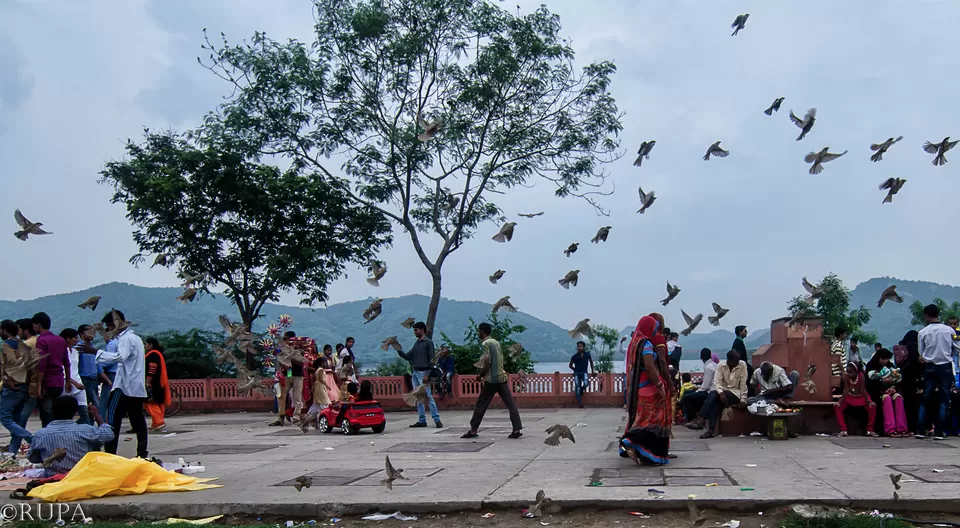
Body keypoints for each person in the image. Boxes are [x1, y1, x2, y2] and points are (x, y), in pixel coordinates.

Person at [83, 310, 148, 459]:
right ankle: (142, 453)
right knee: (137, 419)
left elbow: (120, 357)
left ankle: (110, 454)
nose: (108, 330)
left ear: (114, 325)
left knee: (113, 420)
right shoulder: (136, 338)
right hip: (136, 387)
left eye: (109, 326)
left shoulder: (125, 340)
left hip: (123, 386)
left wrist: (94, 352)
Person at [620, 315, 671, 464]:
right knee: (653, 421)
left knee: (643, 420)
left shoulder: (634, 343)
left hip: (639, 388)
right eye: (654, 328)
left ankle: (644, 454)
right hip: (649, 388)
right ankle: (629, 442)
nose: (656, 331)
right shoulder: (646, 344)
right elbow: (650, 367)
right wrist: (660, 385)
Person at [461, 322, 522, 439]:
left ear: (482, 331)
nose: (478, 333)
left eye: (479, 331)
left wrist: (480, 375)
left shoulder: (485, 343)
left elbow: (487, 362)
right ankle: (516, 429)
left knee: (481, 404)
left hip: (491, 379)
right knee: (510, 404)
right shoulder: (496, 342)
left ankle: (473, 430)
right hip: (502, 377)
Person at [27, 396, 115, 477]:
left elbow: (33, 458)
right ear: (75, 412)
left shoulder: (41, 434)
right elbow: (109, 434)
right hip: (80, 477)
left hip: (53, 480)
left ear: (52, 410)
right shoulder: (85, 430)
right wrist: (97, 416)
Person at [915, 304, 960, 439]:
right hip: (945, 366)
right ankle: (939, 431)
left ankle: (921, 429)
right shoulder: (949, 331)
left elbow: (921, 353)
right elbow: (957, 347)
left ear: (926, 315)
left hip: (929, 367)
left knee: (925, 399)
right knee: (944, 399)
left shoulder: (922, 332)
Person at [396, 321, 443, 428]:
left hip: (424, 372)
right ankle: (422, 420)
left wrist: (428, 374)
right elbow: (408, 356)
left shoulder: (428, 343)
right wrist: (397, 348)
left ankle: (437, 419)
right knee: (418, 396)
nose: (414, 332)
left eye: (416, 330)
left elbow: (432, 360)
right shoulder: (417, 343)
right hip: (416, 372)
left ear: (422, 330)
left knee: (428, 396)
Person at [696, 350, 747, 439]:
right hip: (721, 393)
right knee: (715, 402)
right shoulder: (721, 366)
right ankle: (711, 430)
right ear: (729, 360)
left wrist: (743, 399)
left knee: (713, 394)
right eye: (736, 361)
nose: (738, 363)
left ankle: (701, 417)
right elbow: (717, 382)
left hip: (735, 394)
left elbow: (743, 384)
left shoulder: (742, 365)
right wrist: (721, 393)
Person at [1, 319, 35, 453]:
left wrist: (7, 380)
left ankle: (29, 437)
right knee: (16, 419)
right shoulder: (23, 345)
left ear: (4, 330)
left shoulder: (5, 346)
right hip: (23, 386)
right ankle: (13, 451)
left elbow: (3, 367)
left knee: (5, 418)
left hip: (11, 388)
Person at [33, 312, 70, 427]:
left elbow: (42, 365)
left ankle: (50, 439)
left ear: (38, 325)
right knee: (55, 412)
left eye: (34, 325)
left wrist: (38, 386)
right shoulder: (60, 340)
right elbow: (67, 362)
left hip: (47, 381)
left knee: (46, 413)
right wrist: (68, 380)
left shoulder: (41, 341)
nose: (33, 328)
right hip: (59, 381)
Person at [866, 348, 908, 437]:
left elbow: (897, 380)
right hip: (877, 392)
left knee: (898, 397)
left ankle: (902, 429)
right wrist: (883, 382)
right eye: (883, 359)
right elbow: (870, 385)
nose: (885, 361)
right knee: (887, 399)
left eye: (887, 359)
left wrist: (893, 387)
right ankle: (890, 429)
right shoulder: (871, 366)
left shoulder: (891, 366)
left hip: (890, 390)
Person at [835, 362, 877, 437]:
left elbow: (862, 390)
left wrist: (868, 401)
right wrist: (840, 402)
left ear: (856, 372)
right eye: (847, 372)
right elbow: (846, 390)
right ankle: (843, 429)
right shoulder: (846, 377)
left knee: (872, 407)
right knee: (837, 407)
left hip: (861, 397)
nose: (849, 374)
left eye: (851, 372)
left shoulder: (861, 377)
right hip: (850, 397)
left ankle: (869, 430)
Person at [59, 328, 90, 425]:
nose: (77, 340)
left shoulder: (75, 352)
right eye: (75, 338)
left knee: (84, 411)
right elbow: (63, 370)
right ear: (68, 338)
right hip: (66, 383)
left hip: (78, 383)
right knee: (65, 413)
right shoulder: (61, 352)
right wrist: (73, 383)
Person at [681, 348, 716, 427]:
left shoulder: (708, 367)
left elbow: (705, 386)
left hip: (709, 392)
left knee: (686, 397)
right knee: (688, 393)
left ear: (701, 357)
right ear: (710, 356)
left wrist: (697, 390)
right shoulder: (714, 365)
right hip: (710, 389)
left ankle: (694, 419)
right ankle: (692, 417)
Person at [143, 337, 171, 431]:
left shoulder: (153, 355)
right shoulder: (159, 354)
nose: (145, 346)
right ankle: (156, 423)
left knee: (150, 402)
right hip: (159, 382)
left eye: (146, 344)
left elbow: (152, 369)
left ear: (151, 345)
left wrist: (147, 382)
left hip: (153, 383)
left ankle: (159, 421)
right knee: (159, 403)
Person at [76, 325, 100, 412]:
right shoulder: (80, 348)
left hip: (94, 380)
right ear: (82, 334)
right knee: (96, 405)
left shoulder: (92, 347)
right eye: (90, 332)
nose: (93, 334)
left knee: (91, 406)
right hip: (86, 379)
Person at [568, 341, 595, 409]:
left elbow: (591, 362)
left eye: (581, 346)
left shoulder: (587, 354)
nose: (579, 348)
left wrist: (592, 371)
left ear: (583, 347)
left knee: (586, 383)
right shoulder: (574, 356)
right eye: (578, 346)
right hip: (577, 373)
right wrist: (575, 370)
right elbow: (570, 365)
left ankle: (582, 389)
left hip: (584, 372)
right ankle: (580, 403)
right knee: (577, 387)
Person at [830, 327, 848, 392]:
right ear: (841, 335)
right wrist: (843, 371)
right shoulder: (838, 345)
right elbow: (838, 360)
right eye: (845, 334)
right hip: (838, 373)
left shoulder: (834, 343)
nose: (846, 336)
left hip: (836, 372)